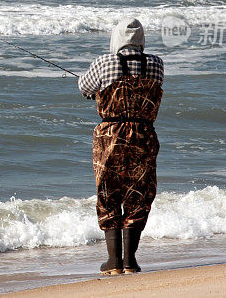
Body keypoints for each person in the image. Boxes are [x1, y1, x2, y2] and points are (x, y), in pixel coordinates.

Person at [78, 18, 164, 275]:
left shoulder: (104, 62)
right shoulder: (156, 64)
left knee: (109, 192)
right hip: (144, 134)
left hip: (111, 135)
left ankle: (113, 261)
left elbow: (84, 88)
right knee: (139, 194)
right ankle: (130, 261)